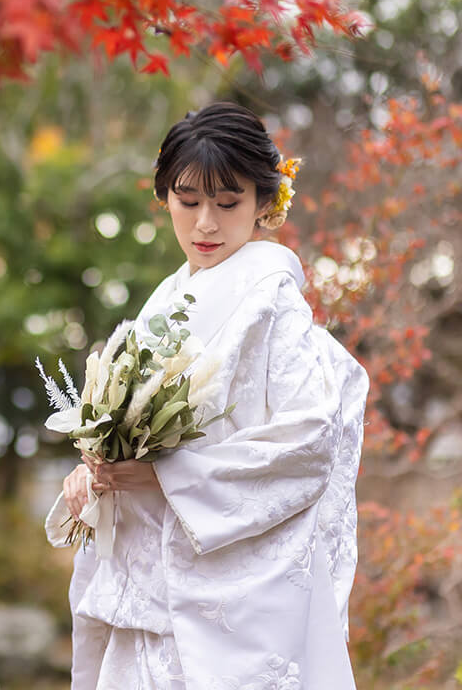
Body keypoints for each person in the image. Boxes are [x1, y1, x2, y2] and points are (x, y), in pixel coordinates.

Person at [48, 101, 367, 689]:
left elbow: (309, 442)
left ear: (266, 203)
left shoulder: (275, 304)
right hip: (150, 578)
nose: (205, 225)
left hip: (233, 594)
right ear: (163, 196)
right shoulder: (165, 301)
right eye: (188, 201)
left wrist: (169, 476)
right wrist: (95, 471)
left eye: (227, 203)